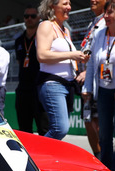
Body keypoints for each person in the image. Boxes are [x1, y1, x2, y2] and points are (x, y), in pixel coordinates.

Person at [82, 0, 115, 171]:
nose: (106, 16)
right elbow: (92, 65)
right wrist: (87, 87)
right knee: (104, 134)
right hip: (102, 90)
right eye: (106, 12)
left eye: (111, 12)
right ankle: (107, 170)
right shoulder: (99, 34)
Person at [35, 0, 90, 140]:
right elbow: (42, 55)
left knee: (60, 129)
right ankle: (36, 156)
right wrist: (72, 54)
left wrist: (78, 60)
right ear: (52, 5)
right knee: (60, 129)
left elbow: (64, 57)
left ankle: (47, 159)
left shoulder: (64, 30)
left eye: (70, 4)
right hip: (52, 84)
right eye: (65, 4)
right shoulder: (46, 25)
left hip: (67, 84)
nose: (69, 7)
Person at [77, 0, 107, 156]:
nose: (92, 0)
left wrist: (87, 71)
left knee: (97, 121)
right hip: (87, 80)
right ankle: (98, 155)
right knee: (88, 119)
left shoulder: (107, 21)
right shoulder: (93, 22)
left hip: (98, 80)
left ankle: (103, 157)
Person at [14, 6, 49, 135]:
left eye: (33, 16)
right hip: (23, 89)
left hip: (39, 87)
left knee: (44, 128)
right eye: (26, 16)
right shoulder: (19, 40)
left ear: (38, 18)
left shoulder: (43, 37)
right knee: (24, 129)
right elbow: (19, 62)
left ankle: (46, 155)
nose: (29, 19)